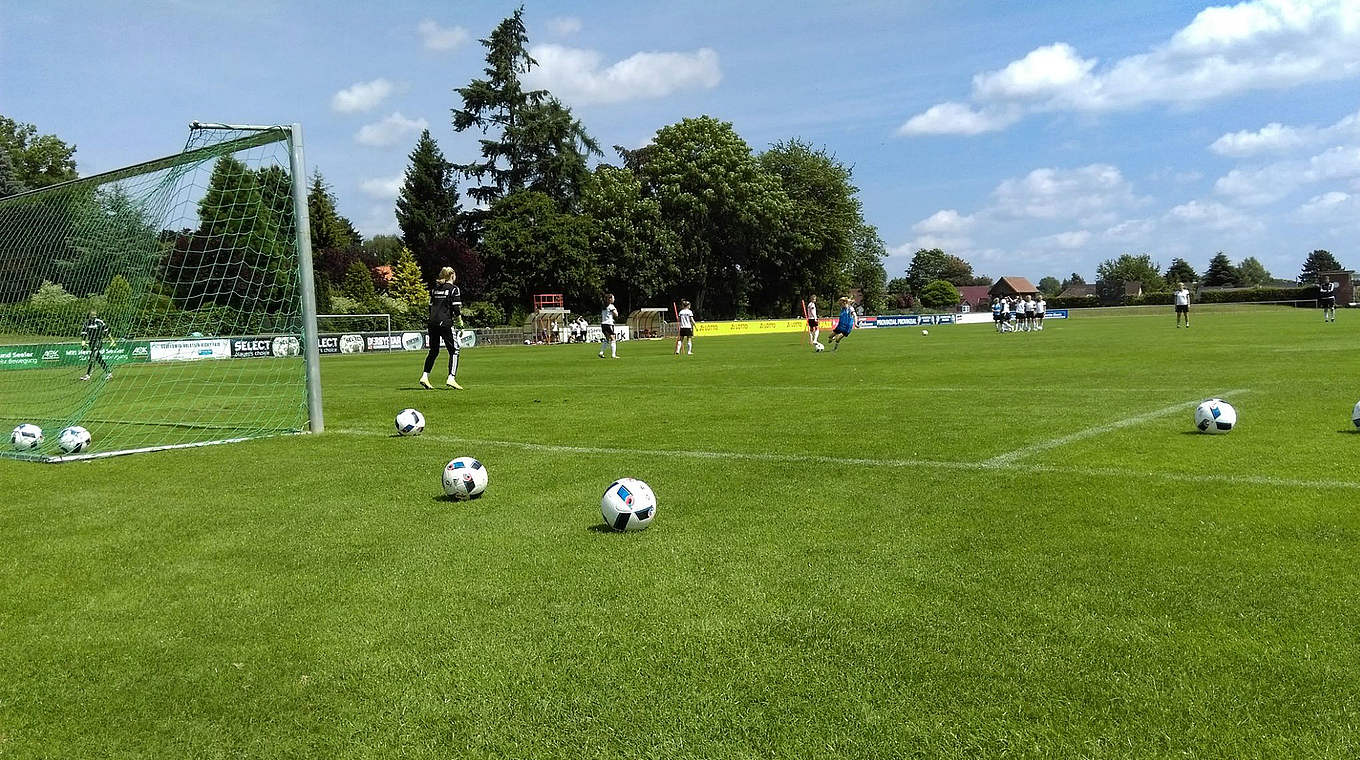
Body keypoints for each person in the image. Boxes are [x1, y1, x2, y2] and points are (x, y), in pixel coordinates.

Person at [419, 267, 463, 389]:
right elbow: (456, 309)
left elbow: (430, 307)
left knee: (433, 351)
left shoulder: (434, 289)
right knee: (454, 351)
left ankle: (424, 376)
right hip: (445, 323)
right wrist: (460, 323)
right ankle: (451, 378)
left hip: (432, 323)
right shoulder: (454, 289)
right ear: (452, 275)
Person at [79, 310, 114, 381]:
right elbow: (84, 333)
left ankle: (88, 375)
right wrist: (83, 341)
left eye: (94, 316)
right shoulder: (87, 323)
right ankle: (109, 373)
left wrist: (112, 340)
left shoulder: (100, 322)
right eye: (92, 316)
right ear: (89, 316)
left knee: (92, 357)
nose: (93, 318)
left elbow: (107, 331)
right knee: (99, 359)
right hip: (91, 342)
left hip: (98, 342)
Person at [599, 294, 619, 359]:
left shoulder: (603, 306)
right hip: (609, 324)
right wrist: (615, 311)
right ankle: (613, 355)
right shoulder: (611, 306)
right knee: (613, 339)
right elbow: (616, 314)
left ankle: (601, 352)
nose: (614, 299)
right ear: (610, 299)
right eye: (613, 298)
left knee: (607, 339)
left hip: (603, 324)